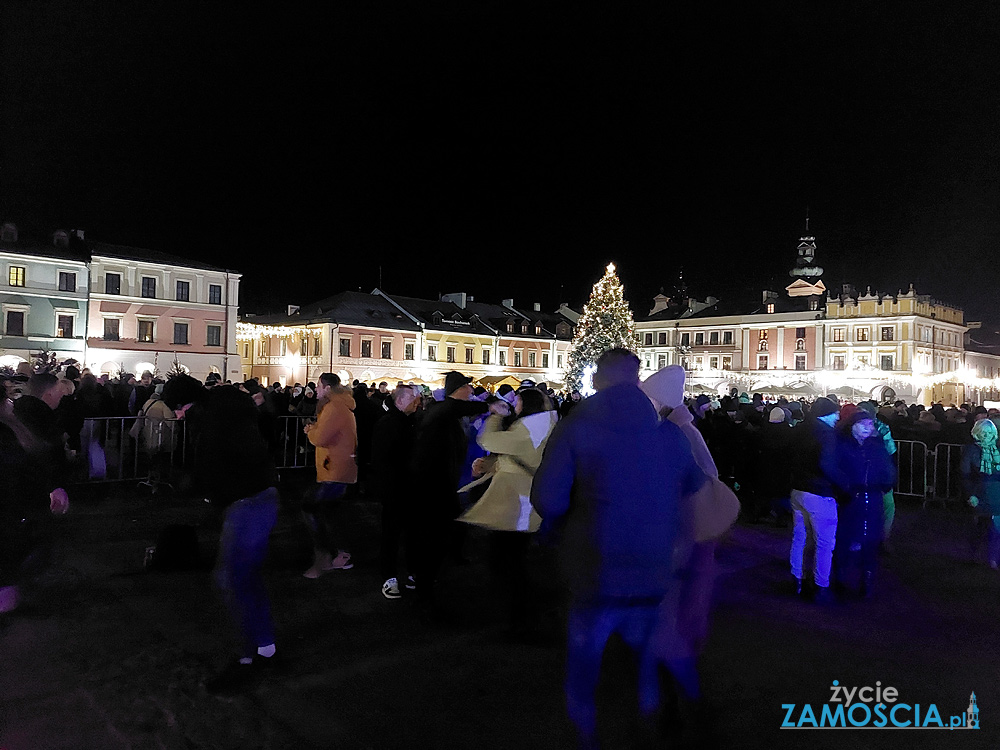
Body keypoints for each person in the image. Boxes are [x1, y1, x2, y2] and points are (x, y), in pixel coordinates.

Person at [531, 349, 706, 747]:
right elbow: (696, 488)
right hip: (654, 567)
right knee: (643, 660)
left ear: (597, 379)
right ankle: (645, 728)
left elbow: (549, 500)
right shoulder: (670, 434)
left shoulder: (577, 426)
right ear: (638, 378)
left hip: (596, 565)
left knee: (585, 661)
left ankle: (585, 734)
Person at [186, 381, 282, 694]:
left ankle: (245, 657)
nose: (177, 414)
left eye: (180, 407)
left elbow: (216, 466)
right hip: (259, 498)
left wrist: (209, 493)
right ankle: (265, 647)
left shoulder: (215, 423)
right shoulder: (235, 414)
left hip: (246, 504)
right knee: (247, 578)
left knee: (230, 580)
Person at [459, 387, 558, 636]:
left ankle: (522, 618)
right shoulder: (539, 426)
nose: (515, 404)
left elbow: (488, 440)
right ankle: (519, 616)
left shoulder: (529, 429)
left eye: (518, 400)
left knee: (507, 562)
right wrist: (492, 464)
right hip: (517, 500)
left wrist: (495, 416)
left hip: (516, 503)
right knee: (510, 560)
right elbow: (517, 456)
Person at [409, 371, 489, 616]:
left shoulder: (446, 414)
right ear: (459, 389)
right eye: (468, 387)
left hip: (441, 484)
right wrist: (489, 405)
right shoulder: (441, 411)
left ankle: (426, 582)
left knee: (437, 537)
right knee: (432, 539)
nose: (471, 391)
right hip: (433, 487)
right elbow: (453, 408)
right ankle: (423, 589)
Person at [788, 397, 847, 602]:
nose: (838, 416)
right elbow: (827, 465)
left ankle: (796, 577)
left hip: (798, 489)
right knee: (824, 543)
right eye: (835, 413)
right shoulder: (827, 434)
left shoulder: (800, 429)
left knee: (800, 537)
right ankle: (821, 585)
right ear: (827, 414)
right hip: (820, 491)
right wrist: (845, 486)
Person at [300, 373, 357, 578]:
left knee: (313, 508)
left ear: (327, 388)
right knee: (329, 513)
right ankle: (339, 554)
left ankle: (327, 555)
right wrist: (315, 428)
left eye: (318, 386)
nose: (316, 390)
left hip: (334, 468)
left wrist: (310, 432)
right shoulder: (339, 406)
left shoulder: (334, 408)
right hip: (336, 467)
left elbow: (321, 437)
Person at [834, 410, 896, 597]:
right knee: (846, 538)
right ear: (853, 426)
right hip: (852, 498)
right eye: (863, 424)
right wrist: (845, 489)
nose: (868, 428)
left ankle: (866, 580)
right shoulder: (843, 446)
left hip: (873, 496)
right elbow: (838, 469)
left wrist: (884, 484)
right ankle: (841, 578)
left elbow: (888, 470)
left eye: (870, 424)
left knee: (870, 540)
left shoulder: (876, 447)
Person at [371, 384, 420, 599]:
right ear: (399, 401)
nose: (417, 402)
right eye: (413, 398)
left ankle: (411, 572)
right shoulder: (388, 424)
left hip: (411, 486)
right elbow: (382, 460)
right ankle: (389, 576)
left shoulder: (413, 422)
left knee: (412, 532)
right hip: (395, 488)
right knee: (391, 533)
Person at [963, 419, 1000, 569]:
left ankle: (992, 558)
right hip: (978, 491)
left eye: (990, 433)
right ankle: (974, 555)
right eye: (984, 433)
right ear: (977, 433)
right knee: (978, 527)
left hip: (996, 492)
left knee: (996, 528)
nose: (987, 436)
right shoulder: (971, 450)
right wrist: (970, 494)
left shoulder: (997, 449)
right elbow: (964, 474)